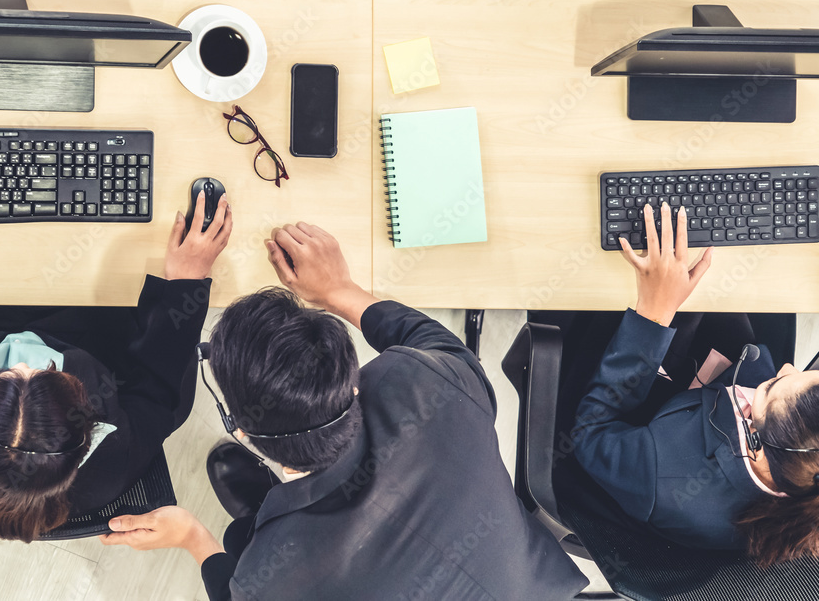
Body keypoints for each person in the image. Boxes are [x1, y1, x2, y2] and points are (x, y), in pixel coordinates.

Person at [100, 222, 588, 600]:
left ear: (244, 431)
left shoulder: (271, 579)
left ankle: (265, 512)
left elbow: (236, 593)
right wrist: (338, 290)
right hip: (520, 583)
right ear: (353, 381)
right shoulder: (431, 381)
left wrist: (192, 535)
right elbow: (428, 338)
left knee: (241, 539)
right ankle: (283, 504)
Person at [0, 168, 232, 542]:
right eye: (40, 375)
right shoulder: (112, 462)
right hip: (84, 326)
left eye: (6, 377)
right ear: (87, 431)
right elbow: (160, 391)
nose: (21, 362)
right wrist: (186, 282)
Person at [573, 202, 819, 567]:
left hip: (653, 424)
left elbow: (589, 434)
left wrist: (653, 315)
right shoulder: (799, 475)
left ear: (754, 443)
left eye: (770, 389)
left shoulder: (662, 475)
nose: (786, 366)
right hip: (711, 385)